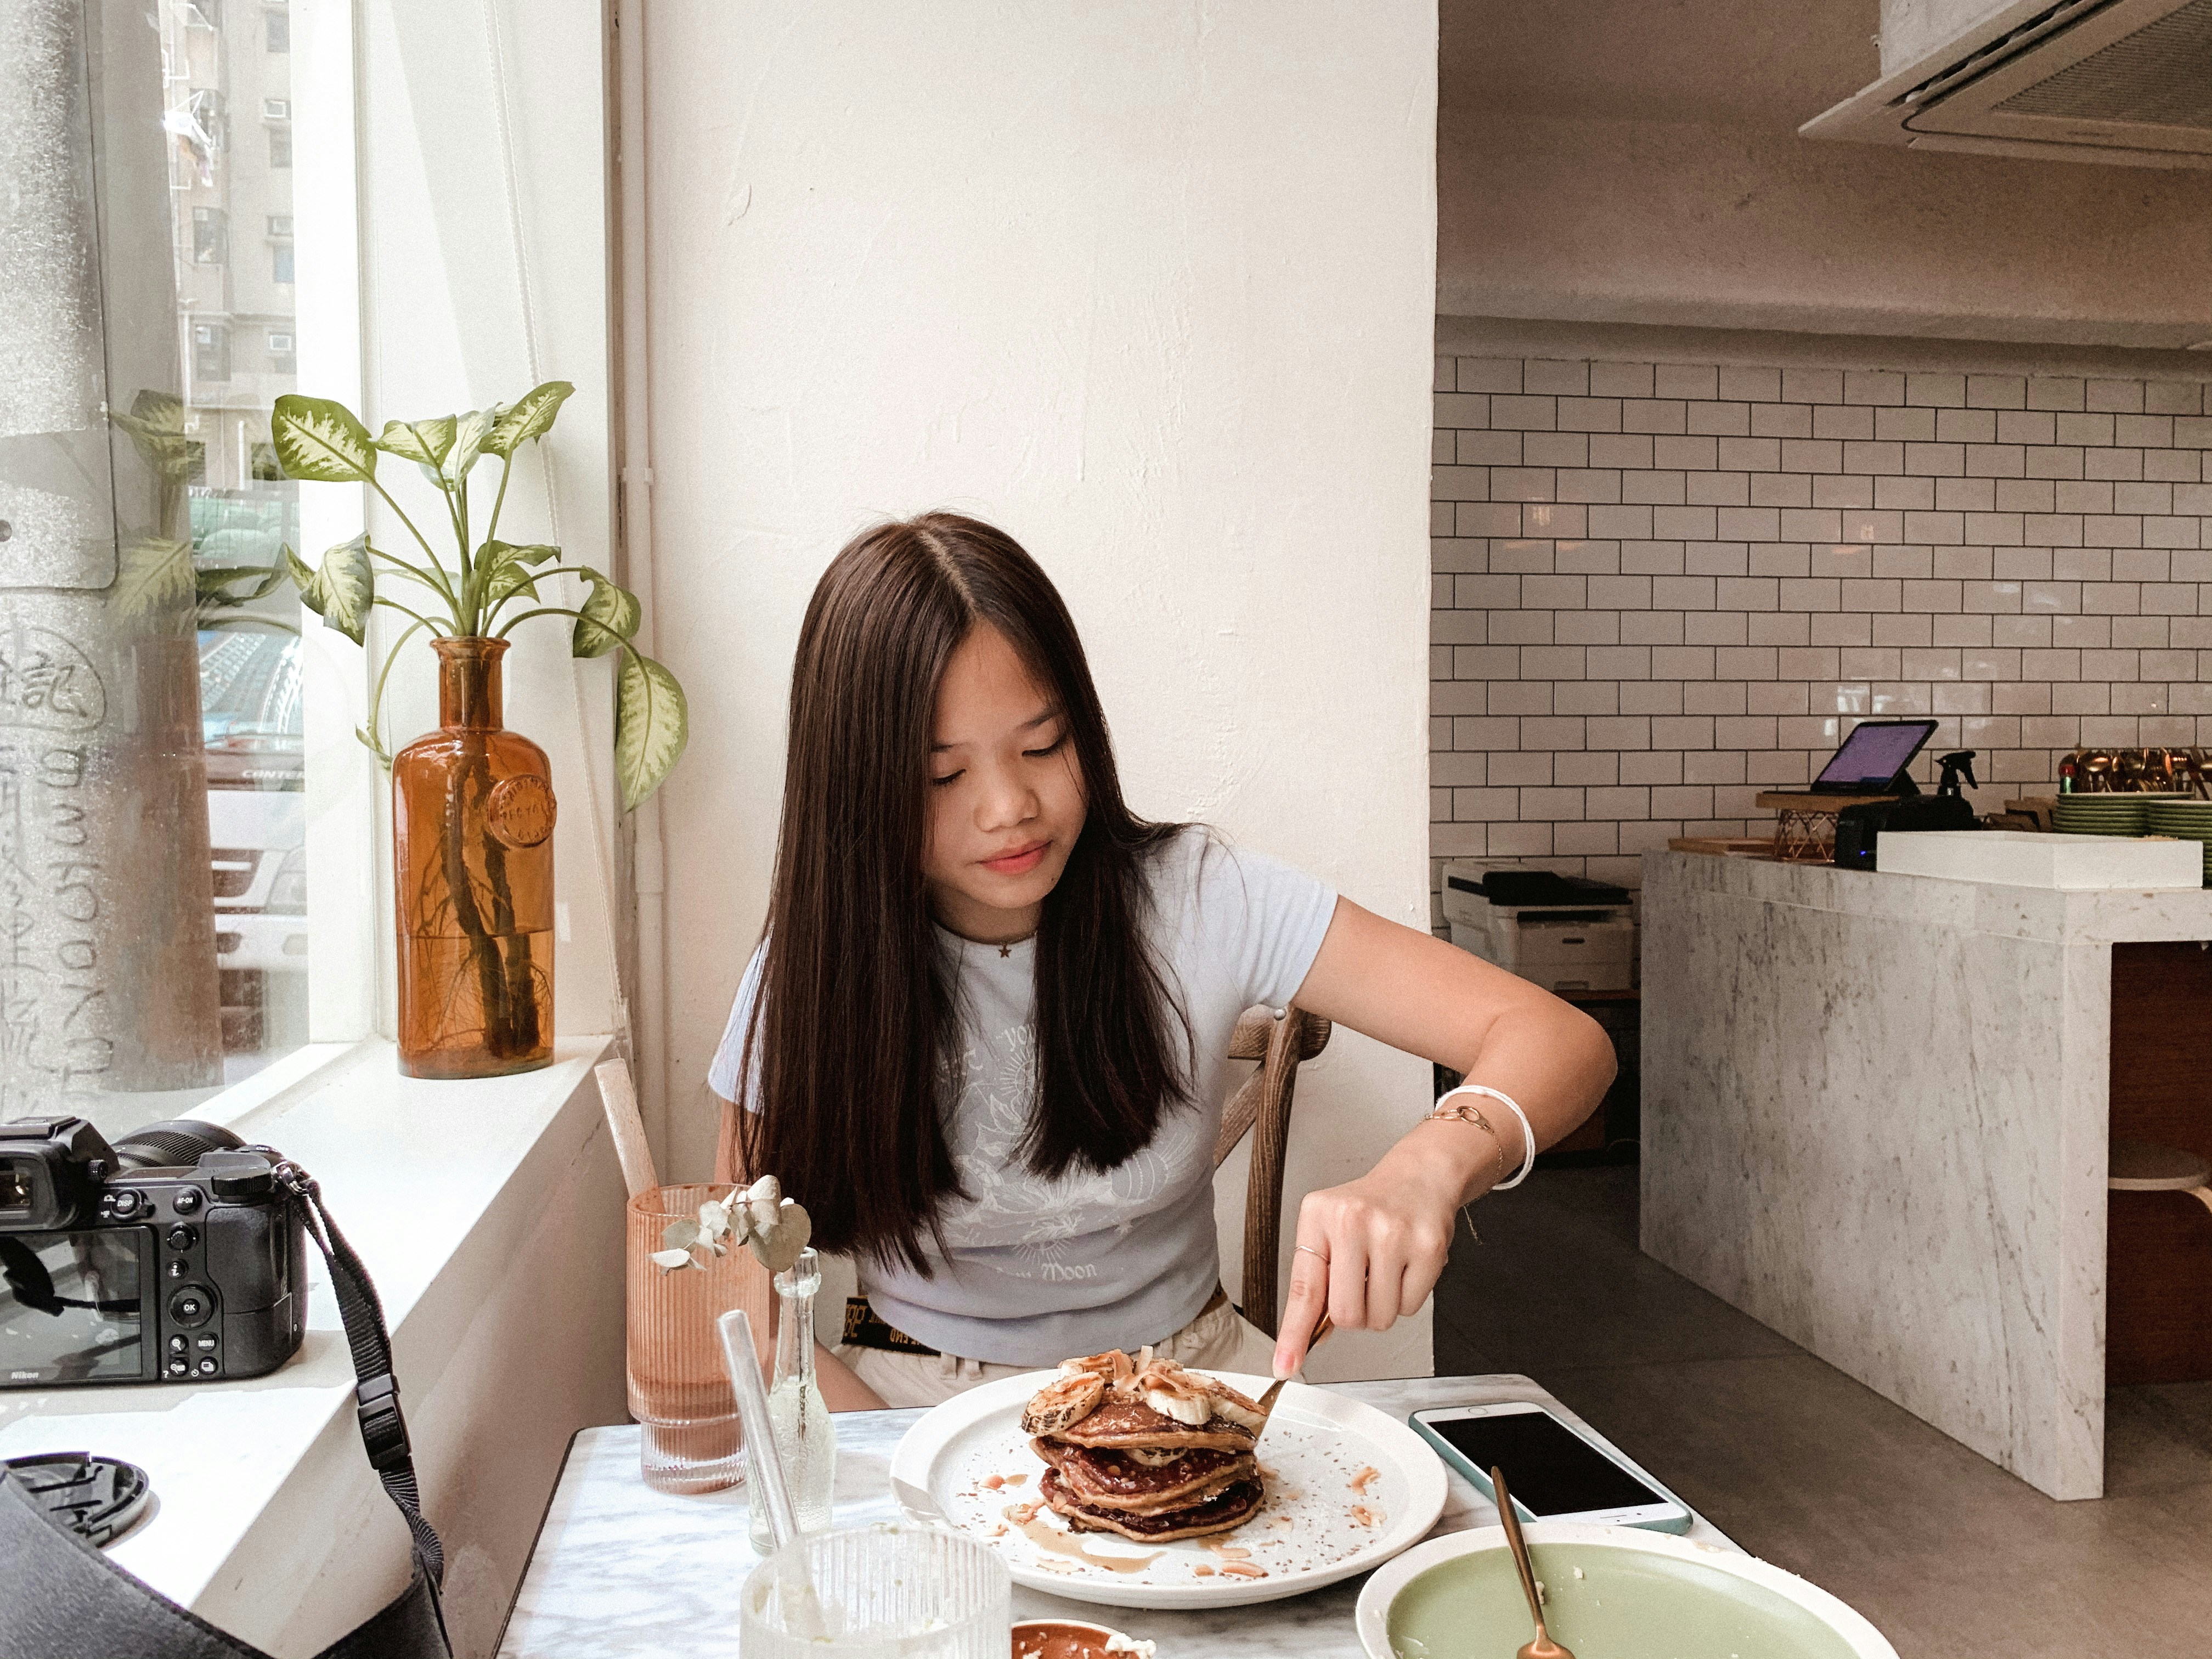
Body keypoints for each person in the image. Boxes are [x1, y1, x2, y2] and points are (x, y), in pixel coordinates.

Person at [710, 511, 1614, 1411]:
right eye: (942, 776)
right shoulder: (816, 966)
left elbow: (1558, 1037)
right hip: (914, 1395)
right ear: (858, 787)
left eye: (1044, 745)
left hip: (1189, 1380)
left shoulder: (1197, 897)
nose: (1009, 806)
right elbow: (736, 1287)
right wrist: (902, 1481)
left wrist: (1429, 1165)